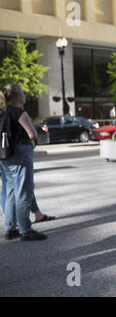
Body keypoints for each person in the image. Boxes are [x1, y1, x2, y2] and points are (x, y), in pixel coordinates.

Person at [0, 84, 47, 241]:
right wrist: (34, 143)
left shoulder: (3, 112)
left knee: (11, 190)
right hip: (21, 152)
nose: (25, 94)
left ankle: (10, 227)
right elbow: (32, 134)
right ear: (17, 96)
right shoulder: (19, 112)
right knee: (23, 191)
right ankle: (25, 230)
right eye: (22, 92)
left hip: (5, 155)